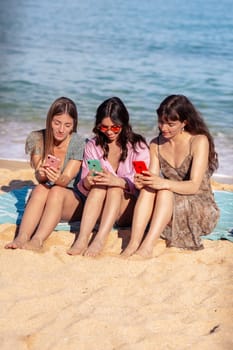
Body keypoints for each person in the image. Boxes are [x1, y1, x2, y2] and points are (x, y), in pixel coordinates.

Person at [122, 94, 220, 258]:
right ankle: (133, 244)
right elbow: (153, 180)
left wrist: (162, 183)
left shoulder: (198, 141)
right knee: (148, 190)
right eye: (161, 122)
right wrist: (142, 182)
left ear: (184, 122)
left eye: (170, 124)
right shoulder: (156, 144)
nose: (164, 128)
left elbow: (194, 186)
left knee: (164, 190)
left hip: (198, 204)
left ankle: (147, 246)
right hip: (167, 202)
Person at [67, 96, 150, 257]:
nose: (110, 132)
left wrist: (119, 182)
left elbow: (142, 179)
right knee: (98, 186)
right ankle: (82, 239)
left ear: (124, 124)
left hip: (127, 207)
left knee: (114, 189)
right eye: (104, 128)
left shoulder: (138, 147)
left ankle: (99, 239)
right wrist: (88, 181)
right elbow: (88, 177)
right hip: (100, 207)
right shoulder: (93, 146)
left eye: (115, 127)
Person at [5, 96, 86, 250]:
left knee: (56, 190)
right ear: (49, 120)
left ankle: (37, 240)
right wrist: (41, 173)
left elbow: (67, 178)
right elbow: (39, 177)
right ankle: (22, 237)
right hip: (47, 193)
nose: (61, 129)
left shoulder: (78, 143)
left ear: (73, 125)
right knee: (41, 188)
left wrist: (58, 179)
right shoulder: (38, 139)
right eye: (57, 123)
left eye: (67, 125)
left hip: (73, 201)